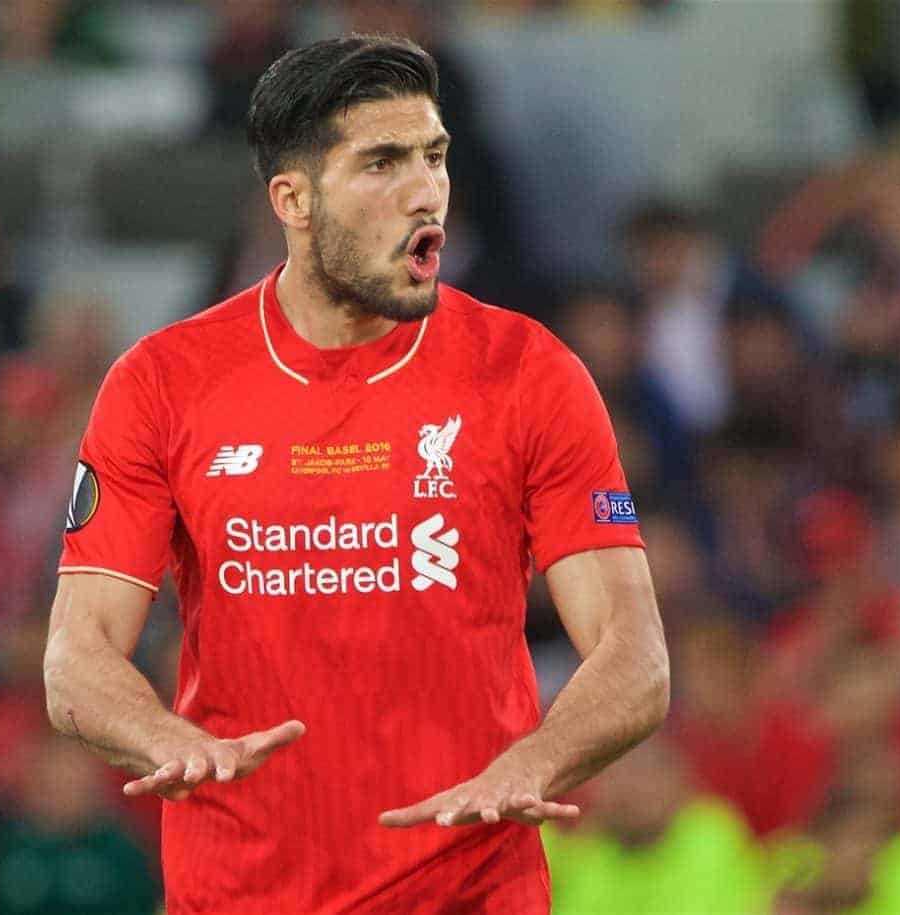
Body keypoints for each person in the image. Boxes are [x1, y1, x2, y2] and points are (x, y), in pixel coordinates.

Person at [42, 34, 668, 915]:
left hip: (467, 891)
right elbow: (76, 658)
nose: (426, 192)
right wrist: (165, 738)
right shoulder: (163, 383)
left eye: (435, 156)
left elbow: (634, 654)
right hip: (238, 893)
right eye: (382, 163)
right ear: (292, 200)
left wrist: (531, 758)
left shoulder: (526, 372)